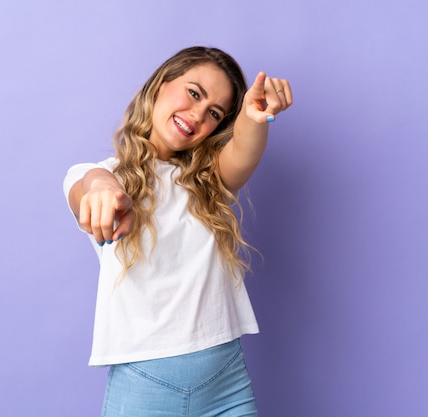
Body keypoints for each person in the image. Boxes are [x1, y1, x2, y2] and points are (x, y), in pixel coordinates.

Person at [63, 46, 292, 416]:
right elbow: (88, 185)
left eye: (214, 113)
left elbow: (245, 152)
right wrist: (103, 190)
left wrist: (254, 116)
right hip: (145, 384)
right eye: (194, 93)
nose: (198, 114)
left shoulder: (208, 182)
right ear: (161, 84)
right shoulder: (103, 175)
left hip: (226, 382)